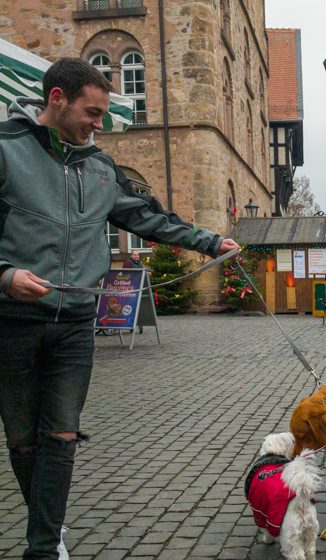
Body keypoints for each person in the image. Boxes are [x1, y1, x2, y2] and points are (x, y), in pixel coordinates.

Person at [0, 57, 239, 560]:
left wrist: (210, 241)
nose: (98, 124)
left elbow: (147, 216)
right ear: (57, 99)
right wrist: (4, 275)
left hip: (75, 324)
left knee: (61, 433)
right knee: (23, 440)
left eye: (103, 115)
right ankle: (49, 529)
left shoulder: (102, 166)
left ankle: (42, 547)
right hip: (13, 321)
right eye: (92, 112)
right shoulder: (6, 149)